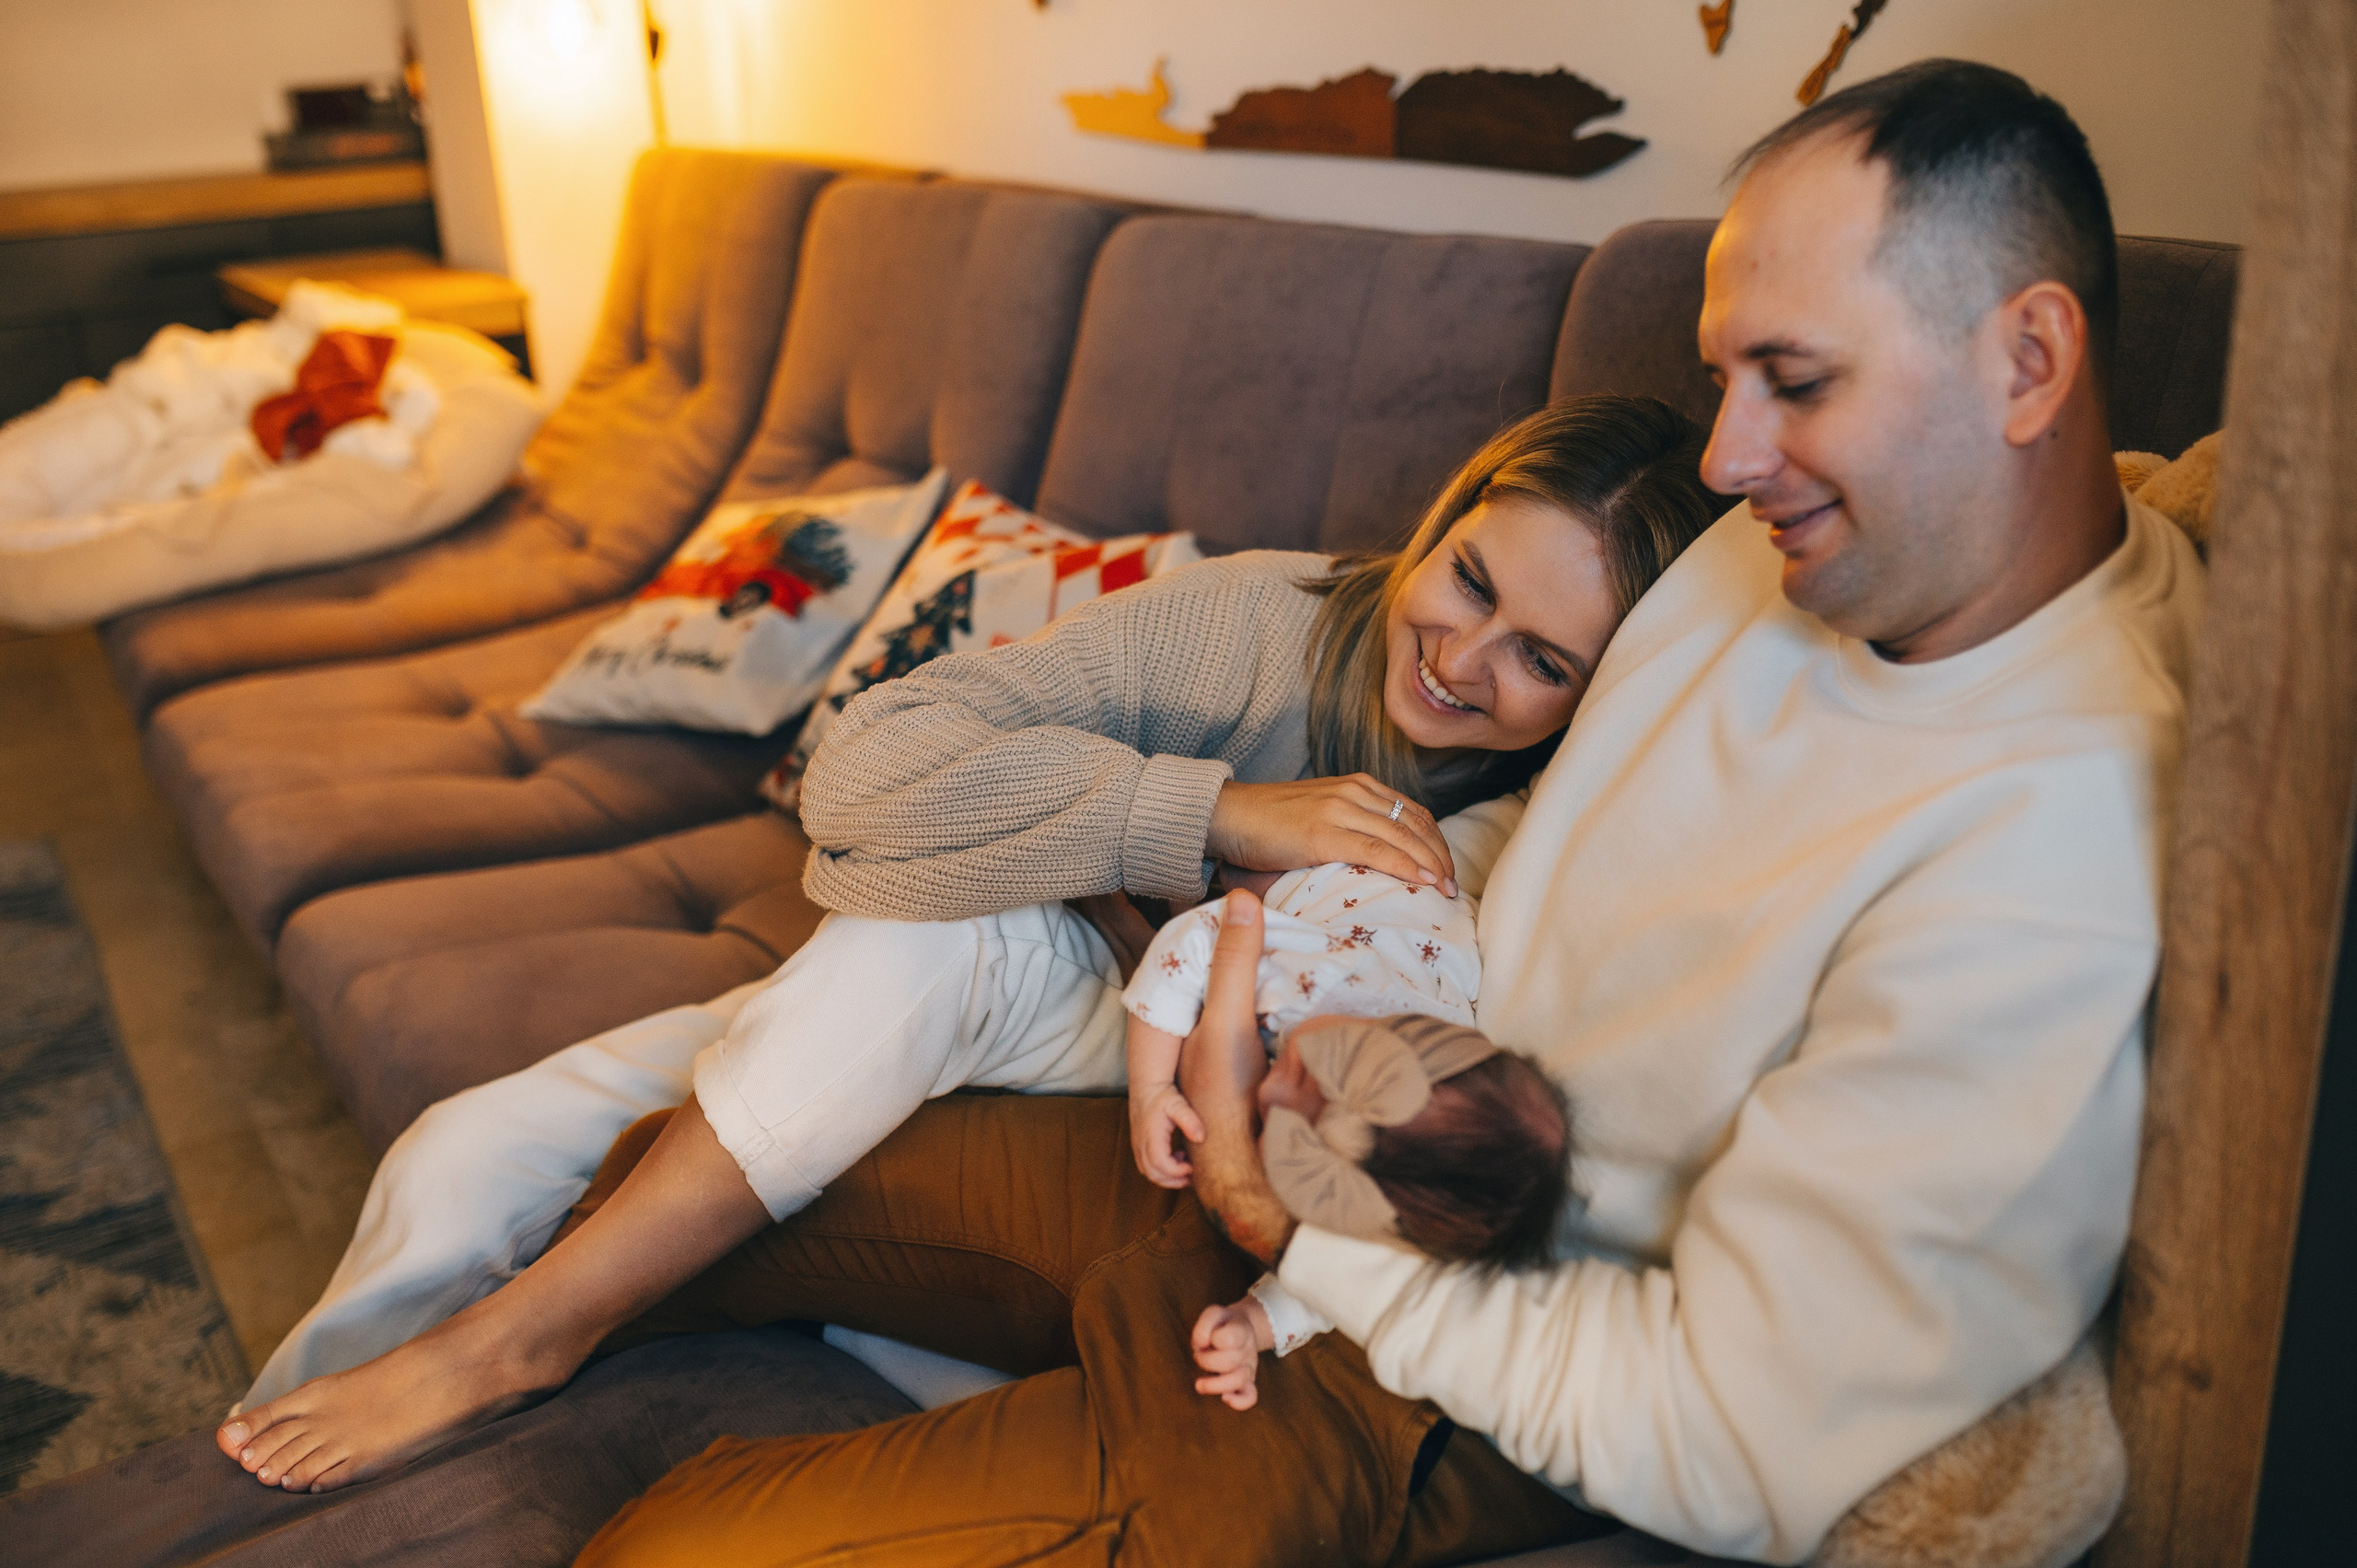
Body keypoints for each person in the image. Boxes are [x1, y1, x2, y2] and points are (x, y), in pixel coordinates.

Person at [565, 58, 2207, 1568]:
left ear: (2029, 363)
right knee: (669, 1183)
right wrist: (1287, 945)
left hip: (1439, 1368)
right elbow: (1561, 844)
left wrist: (1295, 1226)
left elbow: (1726, 1432)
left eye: (1795, 380)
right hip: (1304, 1121)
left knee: (659, 1556)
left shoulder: (2054, 850)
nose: (1723, 455)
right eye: (1727, 377)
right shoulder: (1781, 548)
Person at [215, 393, 1724, 1494]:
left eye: (1542, 659)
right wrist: (1215, 811)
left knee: (934, 939)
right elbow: (866, 772)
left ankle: (518, 1342)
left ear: (1604, 691)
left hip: (1131, 1038)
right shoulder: (1256, 624)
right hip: (1014, 971)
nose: (1461, 659)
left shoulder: (1548, 828)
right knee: (457, 1158)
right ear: (1447, 517)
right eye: (1470, 579)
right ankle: (246, 1503)